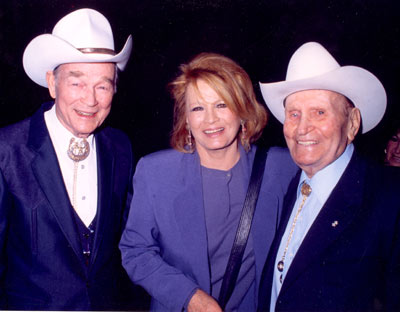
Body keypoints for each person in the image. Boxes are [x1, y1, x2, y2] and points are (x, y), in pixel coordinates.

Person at [119, 52, 298, 311]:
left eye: (222, 104)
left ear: (243, 110)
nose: (210, 119)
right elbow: (135, 250)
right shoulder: (155, 172)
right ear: (187, 119)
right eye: (198, 108)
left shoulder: (281, 168)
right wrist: (189, 297)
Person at [0, 8, 148, 310]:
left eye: (103, 85)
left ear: (115, 89)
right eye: (77, 82)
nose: (90, 99)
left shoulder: (120, 147)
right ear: (52, 83)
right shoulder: (7, 149)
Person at [257, 42, 400, 311]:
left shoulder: (390, 197)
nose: (302, 128)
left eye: (319, 112)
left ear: (353, 122)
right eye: (294, 114)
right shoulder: (294, 185)